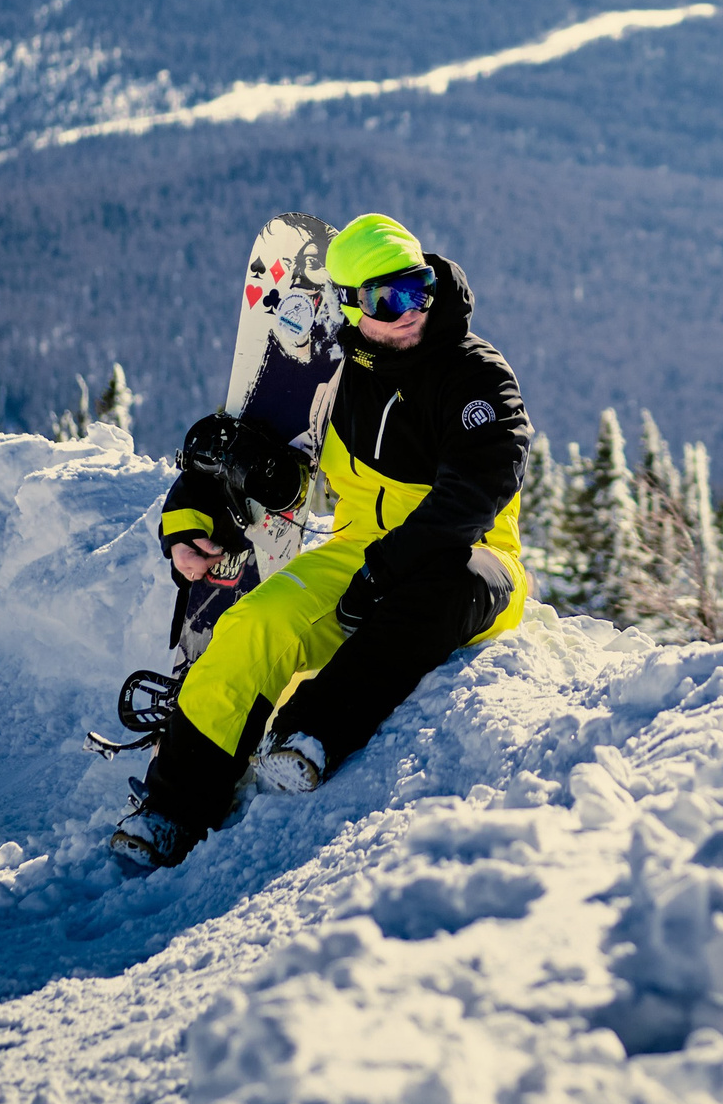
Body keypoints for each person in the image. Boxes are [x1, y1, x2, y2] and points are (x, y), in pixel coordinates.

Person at [110, 213, 531, 871]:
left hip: (473, 556)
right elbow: (250, 451)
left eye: (418, 288)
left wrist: (386, 568)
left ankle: (310, 730)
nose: (412, 309)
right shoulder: (333, 380)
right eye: (389, 299)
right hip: (360, 552)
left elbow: (478, 490)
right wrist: (193, 520)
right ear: (352, 305)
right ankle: (173, 807)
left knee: (437, 591)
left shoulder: (473, 375)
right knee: (254, 626)